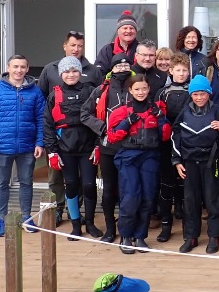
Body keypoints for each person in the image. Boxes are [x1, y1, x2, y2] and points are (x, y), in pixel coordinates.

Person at [38, 30, 102, 226]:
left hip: (86, 143)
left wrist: (99, 144)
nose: (76, 49)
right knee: (62, 180)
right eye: (73, 45)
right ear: (65, 46)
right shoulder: (49, 70)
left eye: (80, 45)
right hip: (62, 142)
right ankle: (60, 211)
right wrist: (51, 150)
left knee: (87, 183)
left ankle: (84, 218)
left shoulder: (93, 72)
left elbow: (99, 110)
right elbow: (45, 111)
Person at [0, 54, 45, 237]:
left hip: (27, 146)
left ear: (27, 68)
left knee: (26, 182)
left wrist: (39, 142)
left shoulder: (35, 91)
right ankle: (1, 219)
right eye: (15, 66)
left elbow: (41, 119)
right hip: (1, 147)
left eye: (22, 67)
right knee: (2, 184)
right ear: (8, 68)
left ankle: (26, 217)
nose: (19, 70)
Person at [107, 74, 171, 254]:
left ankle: (140, 236)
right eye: (137, 89)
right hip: (128, 157)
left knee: (148, 197)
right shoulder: (121, 112)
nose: (141, 92)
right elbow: (112, 137)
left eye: (144, 88)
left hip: (150, 156)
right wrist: (126, 123)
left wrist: (160, 119)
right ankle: (126, 236)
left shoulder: (156, 110)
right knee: (130, 197)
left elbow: (165, 136)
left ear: (149, 89)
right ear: (130, 91)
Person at [172, 75, 219, 254]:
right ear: (191, 95)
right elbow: (175, 137)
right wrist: (176, 161)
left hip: (211, 162)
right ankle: (191, 237)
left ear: (209, 94)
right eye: (196, 94)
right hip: (189, 163)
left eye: (203, 94)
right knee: (191, 201)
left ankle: (214, 237)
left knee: (212, 199)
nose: (199, 98)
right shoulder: (184, 112)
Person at [80, 53, 134, 243]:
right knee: (109, 189)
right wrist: (102, 128)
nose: (122, 69)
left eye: (126, 66)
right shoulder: (101, 90)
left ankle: (127, 229)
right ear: (112, 69)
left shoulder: (136, 86)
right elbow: (84, 113)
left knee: (128, 189)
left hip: (131, 147)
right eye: (118, 66)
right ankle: (110, 229)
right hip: (108, 146)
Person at [154, 53, 191, 242]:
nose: (182, 74)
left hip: (187, 143)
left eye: (185, 70)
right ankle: (166, 225)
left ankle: (186, 225)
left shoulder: (193, 90)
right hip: (166, 143)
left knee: (184, 186)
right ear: (171, 71)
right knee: (166, 185)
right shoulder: (162, 92)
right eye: (178, 70)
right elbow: (156, 116)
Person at [95, 11, 140, 76]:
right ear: (118, 31)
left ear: (136, 31)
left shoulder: (141, 49)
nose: (128, 31)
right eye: (125, 28)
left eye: (131, 28)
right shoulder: (108, 49)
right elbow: (99, 74)